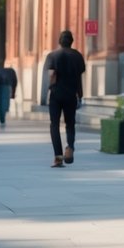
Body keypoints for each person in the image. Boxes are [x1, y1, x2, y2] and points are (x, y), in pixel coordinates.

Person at [46, 30, 85, 167]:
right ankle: (70, 148)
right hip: (71, 94)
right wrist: (80, 95)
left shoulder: (52, 56)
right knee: (70, 124)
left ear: (59, 41)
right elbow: (79, 78)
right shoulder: (78, 56)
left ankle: (58, 157)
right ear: (71, 41)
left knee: (54, 125)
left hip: (56, 94)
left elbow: (51, 75)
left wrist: (48, 89)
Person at [0, 64, 18, 129]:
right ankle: (2, 120)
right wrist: (13, 93)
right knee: (3, 105)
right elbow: (15, 83)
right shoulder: (11, 71)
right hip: (5, 86)